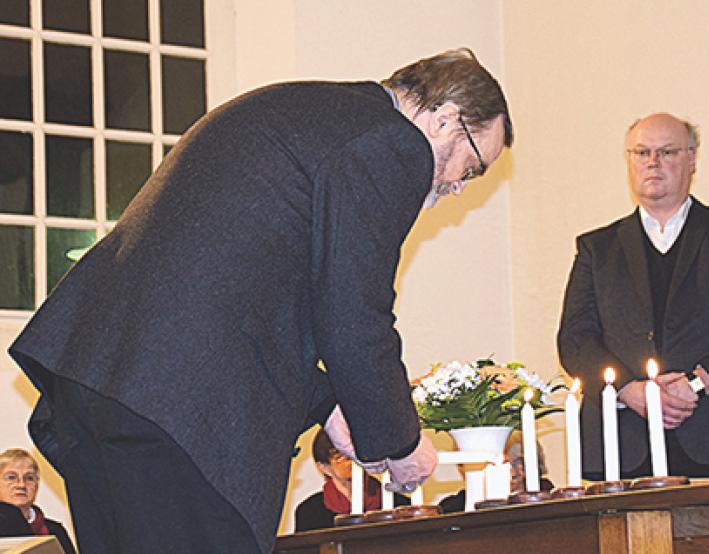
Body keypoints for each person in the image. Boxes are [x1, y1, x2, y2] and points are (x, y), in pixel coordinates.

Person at [8, 48, 513, 553]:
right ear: (447, 118)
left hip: (104, 377)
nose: (457, 187)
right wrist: (399, 441)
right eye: (473, 167)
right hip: (180, 404)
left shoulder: (310, 112)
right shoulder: (392, 141)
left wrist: (332, 405)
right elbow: (354, 314)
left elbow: (246, 287)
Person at [557, 113, 709, 479]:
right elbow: (574, 340)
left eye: (667, 152)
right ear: (629, 161)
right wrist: (628, 390)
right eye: (641, 153)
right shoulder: (597, 249)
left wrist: (697, 383)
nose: (653, 163)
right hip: (626, 452)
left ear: (692, 159)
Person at [294, 429, 408, 532]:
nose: (354, 461)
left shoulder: (400, 506)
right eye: (341, 456)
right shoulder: (310, 512)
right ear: (324, 468)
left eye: (358, 453)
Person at [438, 434, 554, 513]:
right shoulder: (452, 508)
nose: (512, 472)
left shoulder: (550, 501)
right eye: (501, 463)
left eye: (519, 462)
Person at [0, 449, 76, 554]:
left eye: (29, 478)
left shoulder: (55, 531)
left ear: (37, 485)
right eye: (11, 477)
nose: (21, 485)